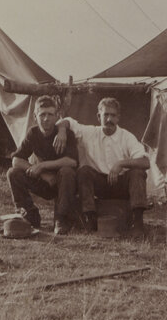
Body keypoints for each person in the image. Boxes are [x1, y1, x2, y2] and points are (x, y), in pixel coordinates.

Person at [54, 98, 150, 238]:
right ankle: (90, 218)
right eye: (106, 115)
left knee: (137, 173)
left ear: (118, 118)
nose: (109, 119)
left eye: (113, 115)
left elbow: (145, 162)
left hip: (120, 184)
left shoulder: (127, 137)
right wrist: (62, 130)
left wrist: (120, 164)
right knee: (84, 171)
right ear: (99, 116)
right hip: (100, 184)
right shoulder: (90, 132)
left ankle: (137, 223)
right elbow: (67, 121)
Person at [6, 95, 80, 235]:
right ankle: (29, 214)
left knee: (67, 171)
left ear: (57, 116)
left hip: (63, 184)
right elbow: (16, 159)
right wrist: (41, 172)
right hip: (44, 181)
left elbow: (72, 161)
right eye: (42, 115)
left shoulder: (66, 134)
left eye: (50, 115)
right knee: (13, 173)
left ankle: (61, 218)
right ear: (35, 116)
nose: (46, 119)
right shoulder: (33, 133)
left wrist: (42, 165)